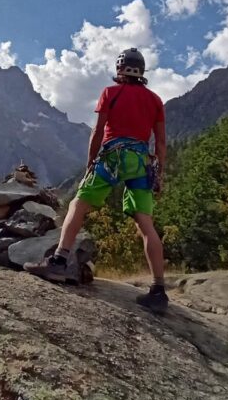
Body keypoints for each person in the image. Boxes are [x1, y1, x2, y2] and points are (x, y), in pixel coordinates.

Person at [26, 47, 169, 312]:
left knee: (78, 205)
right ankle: (159, 290)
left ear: (119, 69)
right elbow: (160, 142)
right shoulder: (155, 100)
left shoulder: (110, 93)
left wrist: (91, 161)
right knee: (145, 224)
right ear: (142, 70)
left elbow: (98, 131)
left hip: (112, 157)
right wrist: (159, 173)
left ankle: (58, 261)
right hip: (140, 161)